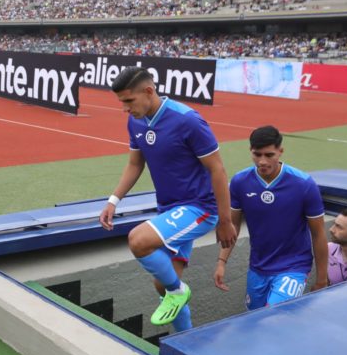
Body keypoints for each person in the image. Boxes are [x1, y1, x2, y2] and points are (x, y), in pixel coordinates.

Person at [99, 66, 236, 331]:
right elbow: (135, 164)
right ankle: (187, 339)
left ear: (149, 91)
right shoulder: (135, 121)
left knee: (138, 241)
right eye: (121, 102)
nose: (125, 108)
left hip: (200, 208)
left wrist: (226, 219)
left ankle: (177, 290)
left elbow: (217, 169)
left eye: (129, 101)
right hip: (169, 208)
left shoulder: (187, 120)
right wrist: (113, 200)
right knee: (162, 284)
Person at [214, 126, 329, 309]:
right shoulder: (239, 182)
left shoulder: (304, 184)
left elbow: (318, 234)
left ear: (280, 152)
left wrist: (322, 279)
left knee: (273, 317)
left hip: (294, 267)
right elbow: (232, 225)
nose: (262, 161)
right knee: (254, 321)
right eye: (257, 154)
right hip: (258, 268)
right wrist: (221, 262)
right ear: (250, 151)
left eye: (269, 155)